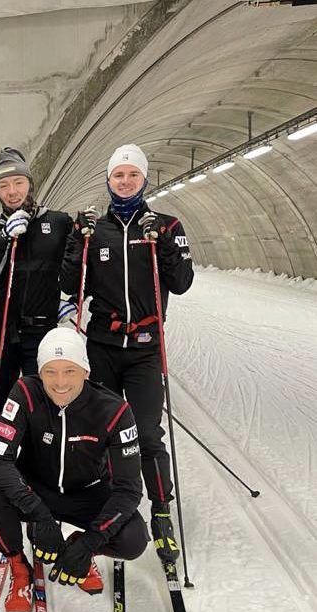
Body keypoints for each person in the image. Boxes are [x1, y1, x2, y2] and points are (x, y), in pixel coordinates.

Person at [60, 144, 194, 561]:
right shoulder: (94, 229)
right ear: (108, 181)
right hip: (101, 345)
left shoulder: (167, 226)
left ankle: (160, 509)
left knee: (147, 432)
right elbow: (69, 283)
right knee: (100, 430)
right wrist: (75, 242)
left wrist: (165, 246)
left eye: (132, 175)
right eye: (118, 175)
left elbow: (182, 281)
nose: (124, 181)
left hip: (144, 349)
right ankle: (108, 502)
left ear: (144, 179)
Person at [0, 327, 147, 612]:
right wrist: (38, 514)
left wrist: (91, 541)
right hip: (36, 489)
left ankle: (75, 549)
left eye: (70, 371)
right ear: (39, 373)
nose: (60, 382)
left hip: (88, 492)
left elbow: (129, 490)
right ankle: (19, 565)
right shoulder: (25, 392)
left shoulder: (116, 412)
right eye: (50, 372)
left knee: (133, 539)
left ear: (85, 371)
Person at [0, 147, 74, 409]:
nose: (12, 191)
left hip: (42, 331)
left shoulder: (59, 222)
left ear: (30, 183)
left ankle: (39, 452)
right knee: (3, 407)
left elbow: (81, 269)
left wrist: (72, 298)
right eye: (4, 185)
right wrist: (5, 239)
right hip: (3, 331)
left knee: (41, 406)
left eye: (18, 182)